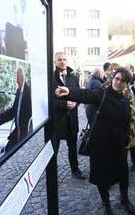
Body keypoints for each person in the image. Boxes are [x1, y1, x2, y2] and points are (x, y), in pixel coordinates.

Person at [55, 68, 135, 215]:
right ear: (112, 78)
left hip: (118, 145)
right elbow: (87, 95)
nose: (118, 82)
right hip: (101, 144)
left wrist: (125, 138)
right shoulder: (102, 93)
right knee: (102, 176)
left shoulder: (125, 98)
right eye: (117, 78)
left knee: (123, 173)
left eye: (123, 81)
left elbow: (128, 121)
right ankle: (106, 205)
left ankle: (124, 199)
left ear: (126, 84)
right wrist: (69, 92)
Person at [53, 52, 85, 180]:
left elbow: (79, 95)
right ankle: (52, 172)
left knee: (72, 147)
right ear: (55, 62)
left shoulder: (74, 78)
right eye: (59, 60)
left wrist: (75, 103)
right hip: (57, 121)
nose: (62, 61)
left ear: (67, 61)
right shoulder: (50, 78)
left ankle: (75, 169)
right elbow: (49, 100)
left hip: (72, 120)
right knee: (53, 150)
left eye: (64, 59)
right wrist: (64, 104)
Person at [0, 66, 32, 151]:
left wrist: (21, 129)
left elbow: (29, 114)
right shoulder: (19, 91)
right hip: (18, 129)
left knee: (12, 150)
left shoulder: (28, 92)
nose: (15, 80)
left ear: (20, 77)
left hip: (25, 129)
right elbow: (13, 111)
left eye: (16, 77)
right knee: (7, 149)